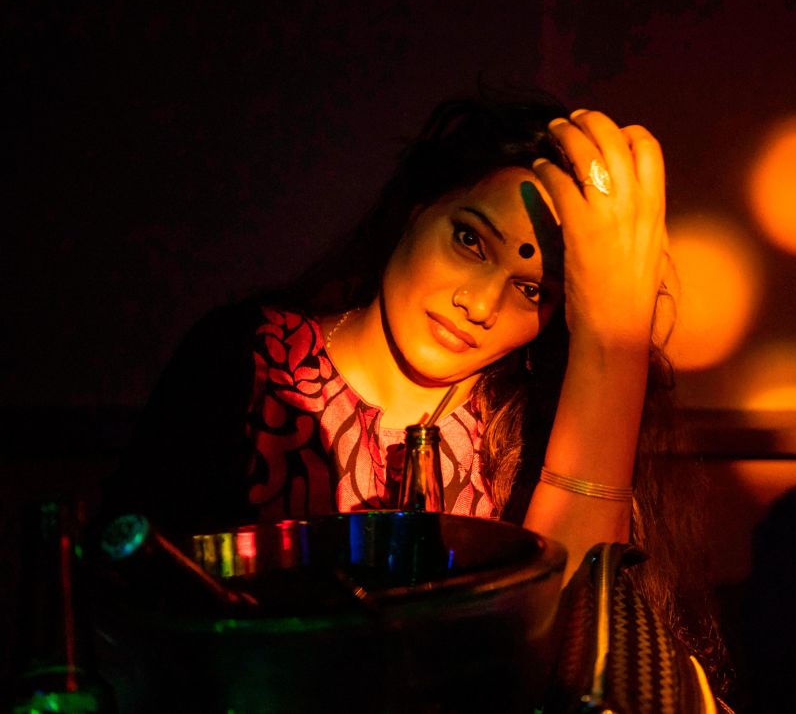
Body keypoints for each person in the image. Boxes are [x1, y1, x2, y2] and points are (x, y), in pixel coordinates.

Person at [103, 89, 727, 690]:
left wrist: (612, 340)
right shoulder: (252, 360)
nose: (478, 304)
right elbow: (131, 620)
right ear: (416, 207)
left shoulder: (536, 422)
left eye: (533, 289)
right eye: (470, 240)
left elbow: (573, 655)